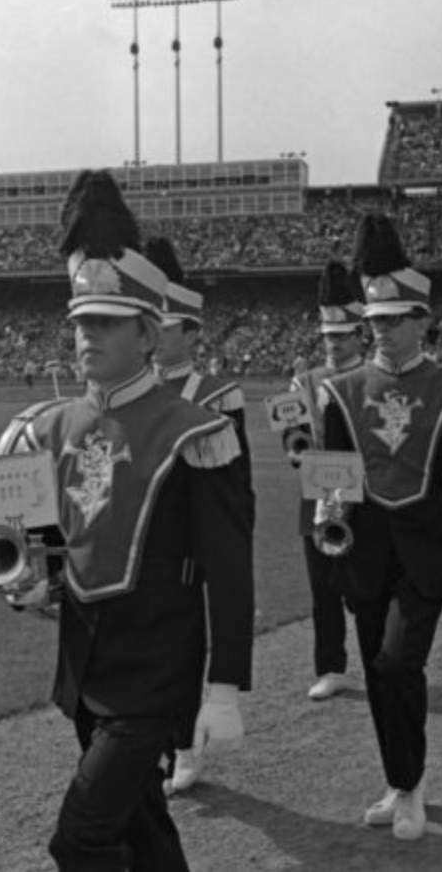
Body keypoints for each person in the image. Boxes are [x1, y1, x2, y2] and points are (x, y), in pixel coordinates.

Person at [0, 170, 254, 872]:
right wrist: (30, 582)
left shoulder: (196, 431)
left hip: (154, 676)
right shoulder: (53, 426)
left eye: (105, 322)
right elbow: (53, 546)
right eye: (80, 321)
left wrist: (225, 682)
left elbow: (229, 567)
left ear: (148, 332)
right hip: (84, 670)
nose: (86, 336)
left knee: (78, 838)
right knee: (144, 830)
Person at [317, 214, 442, 841]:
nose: (382, 331)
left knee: (396, 664)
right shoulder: (340, 389)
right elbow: (331, 474)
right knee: (376, 671)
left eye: (394, 320)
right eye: (375, 322)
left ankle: (412, 784)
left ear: (422, 319)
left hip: (427, 553)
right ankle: (398, 779)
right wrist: (325, 513)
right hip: (363, 551)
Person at [146, 235, 255, 793]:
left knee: (183, 654)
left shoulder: (217, 394)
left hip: (190, 548)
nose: (153, 338)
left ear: (191, 332)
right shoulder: (128, 392)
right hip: (140, 547)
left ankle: (185, 746)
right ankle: (159, 745)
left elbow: (237, 490)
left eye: (164, 327)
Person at [283, 260, 364, 701]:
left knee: (364, 582)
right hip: (315, 489)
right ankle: (330, 665)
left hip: (365, 494)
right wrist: (294, 445)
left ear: (358, 335)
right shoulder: (304, 379)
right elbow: (291, 432)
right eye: (328, 337)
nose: (333, 344)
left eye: (342, 336)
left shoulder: (371, 376)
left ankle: (376, 654)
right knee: (321, 589)